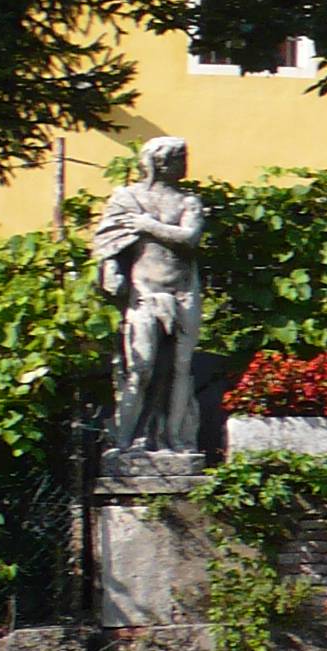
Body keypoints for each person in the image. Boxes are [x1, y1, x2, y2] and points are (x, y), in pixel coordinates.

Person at [93, 136, 206, 452]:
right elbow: (108, 242)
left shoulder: (188, 202)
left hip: (183, 293)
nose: (185, 164)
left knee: (181, 368)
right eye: (178, 158)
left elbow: (189, 237)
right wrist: (112, 270)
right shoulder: (127, 199)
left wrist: (147, 225)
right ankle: (125, 440)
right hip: (144, 294)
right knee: (140, 368)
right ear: (158, 163)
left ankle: (177, 438)